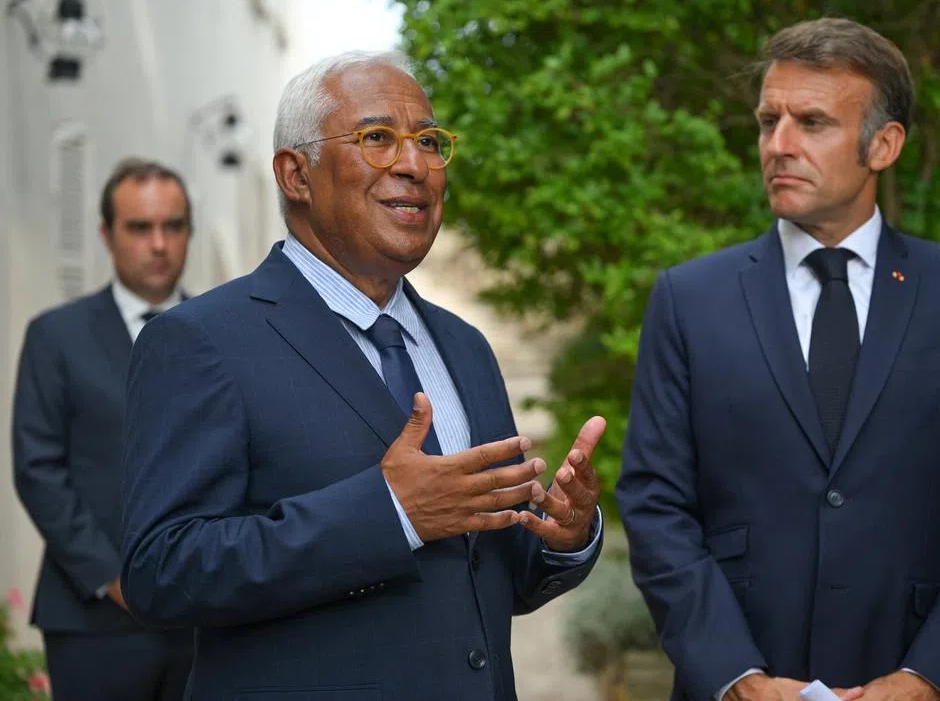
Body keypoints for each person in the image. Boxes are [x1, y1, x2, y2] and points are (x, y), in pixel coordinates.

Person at [118, 50, 606, 701]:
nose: (414, 165)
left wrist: (566, 537)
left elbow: (488, 578)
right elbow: (162, 572)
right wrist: (390, 514)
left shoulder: (465, 348)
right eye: (377, 138)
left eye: (430, 142)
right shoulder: (201, 341)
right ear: (296, 174)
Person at [616, 17, 940, 701]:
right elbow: (655, 503)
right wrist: (735, 676)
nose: (778, 145)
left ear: (884, 143)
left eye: (811, 123)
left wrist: (929, 677)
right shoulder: (689, 300)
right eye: (767, 120)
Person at [12, 158, 195, 701]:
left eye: (173, 226)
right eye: (140, 228)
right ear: (106, 235)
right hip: (93, 620)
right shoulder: (56, 337)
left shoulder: (226, 331)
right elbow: (37, 468)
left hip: (206, 619)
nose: (159, 244)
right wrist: (113, 577)